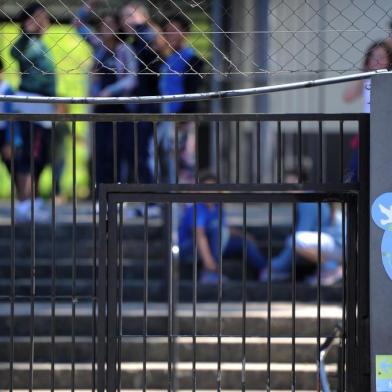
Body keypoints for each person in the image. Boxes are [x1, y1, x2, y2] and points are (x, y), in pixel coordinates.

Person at [74, 1, 138, 186]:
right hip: (100, 108)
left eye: (111, 24)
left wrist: (110, 91)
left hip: (120, 107)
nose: (107, 28)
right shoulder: (98, 47)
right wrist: (89, 5)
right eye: (104, 24)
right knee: (100, 151)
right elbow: (77, 24)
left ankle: (119, 193)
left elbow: (132, 78)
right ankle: (100, 194)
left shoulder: (125, 49)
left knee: (118, 152)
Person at [178, 172, 267, 284]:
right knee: (219, 231)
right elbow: (199, 235)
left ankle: (265, 271)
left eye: (213, 189)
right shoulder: (197, 208)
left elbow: (225, 228)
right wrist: (209, 262)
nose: (210, 192)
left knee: (244, 243)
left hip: (212, 245)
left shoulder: (217, 208)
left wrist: (244, 236)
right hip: (189, 249)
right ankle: (209, 273)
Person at [10, 2, 55, 220]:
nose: (44, 21)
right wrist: (26, 33)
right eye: (39, 17)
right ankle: (25, 201)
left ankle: (33, 199)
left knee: (41, 155)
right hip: (31, 104)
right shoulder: (26, 44)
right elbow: (14, 52)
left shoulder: (41, 44)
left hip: (44, 104)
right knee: (28, 153)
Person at [260, 171, 340, 284]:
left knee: (294, 240)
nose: (288, 186)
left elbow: (300, 235)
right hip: (332, 242)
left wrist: (276, 265)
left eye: (292, 182)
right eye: (287, 183)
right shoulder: (308, 197)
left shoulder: (307, 201)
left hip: (335, 244)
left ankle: (331, 268)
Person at [156, 13, 204, 183]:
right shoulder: (166, 59)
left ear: (185, 33)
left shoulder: (192, 59)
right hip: (166, 118)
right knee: (166, 162)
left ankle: (186, 206)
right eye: (167, 32)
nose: (171, 35)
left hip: (182, 119)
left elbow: (192, 91)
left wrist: (183, 117)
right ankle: (170, 204)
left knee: (185, 162)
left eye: (175, 31)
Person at [120, 1, 160, 184]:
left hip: (149, 106)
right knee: (134, 153)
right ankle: (143, 195)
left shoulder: (149, 39)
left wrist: (140, 27)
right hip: (134, 106)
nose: (127, 21)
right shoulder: (129, 44)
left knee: (146, 153)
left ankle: (153, 198)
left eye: (131, 15)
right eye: (124, 17)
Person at [343, 40, 392, 181]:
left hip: (387, 131)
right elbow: (347, 97)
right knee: (357, 170)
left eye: (381, 57)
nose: (377, 61)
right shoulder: (367, 79)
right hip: (368, 131)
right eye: (373, 57)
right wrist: (364, 73)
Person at [0, 57, 22, 177]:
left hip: (4, 132)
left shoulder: (7, 90)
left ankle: (23, 194)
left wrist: (10, 142)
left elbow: (12, 119)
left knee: (13, 168)